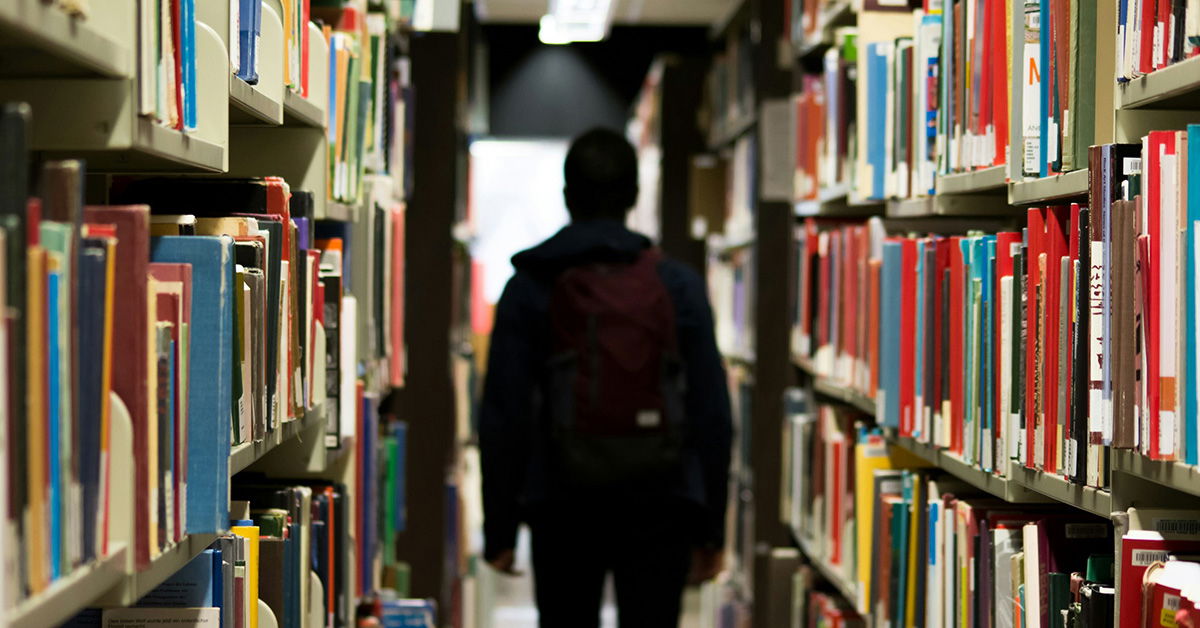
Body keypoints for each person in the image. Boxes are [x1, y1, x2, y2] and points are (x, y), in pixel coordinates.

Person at [479, 127, 733, 628]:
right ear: (634, 196)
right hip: (662, 501)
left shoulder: (530, 286)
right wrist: (711, 529)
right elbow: (713, 414)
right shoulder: (677, 285)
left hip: (562, 502)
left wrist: (501, 528)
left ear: (567, 196)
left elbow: (503, 413)